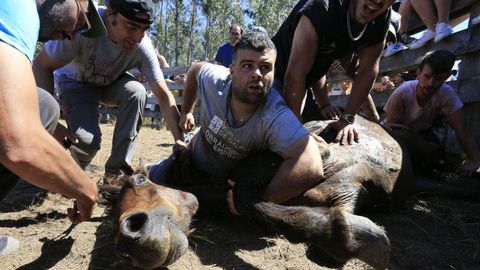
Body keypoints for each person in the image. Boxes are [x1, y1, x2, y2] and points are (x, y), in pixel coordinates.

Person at [149, 31, 324, 214]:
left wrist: (257, 199)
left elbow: (312, 165)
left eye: (265, 67)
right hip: (189, 159)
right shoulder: (215, 80)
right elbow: (195, 70)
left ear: (274, 73)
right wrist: (186, 111)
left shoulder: (275, 115)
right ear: (232, 71)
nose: (257, 74)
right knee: (147, 184)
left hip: (221, 186)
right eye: (247, 66)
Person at [0, 0, 108, 254]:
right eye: (80, 20)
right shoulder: (19, 8)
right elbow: (19, 145)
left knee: (44, 107)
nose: (71, 36)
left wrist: (42, 130)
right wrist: (86, 189)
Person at [32, 0, 185, 177]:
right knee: (87, 143)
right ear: (110, 12)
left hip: (110, 83)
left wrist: (179, 140)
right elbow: (41, 66)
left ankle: (116, 172)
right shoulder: (82, 26)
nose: (138, 37)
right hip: (76, 83)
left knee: (136, 91)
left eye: (144, 29)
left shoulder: (142, 47)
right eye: (132, 27)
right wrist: (49, 121)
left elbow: (163, 95)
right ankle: (71, 171)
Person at [272, 0, 395, 145]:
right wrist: (295, 133)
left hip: (302, 86)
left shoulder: (381, 17)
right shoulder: (322, 6)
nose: (379, 0)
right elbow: (295, 73)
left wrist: (346, 118)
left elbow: (368, 70)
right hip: (272, 78)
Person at [383, 50, 480, 177]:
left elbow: (461, 127)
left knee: (435, 151)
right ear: (418, 74)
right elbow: (392, 127)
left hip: (422, 133)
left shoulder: (446, 94)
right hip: (398, 134)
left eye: (438, 78)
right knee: (409, 141)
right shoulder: (403, 92)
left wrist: (475, 160)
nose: (431, 83)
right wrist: (414, 140)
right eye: (427, 77)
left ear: (446, 77)